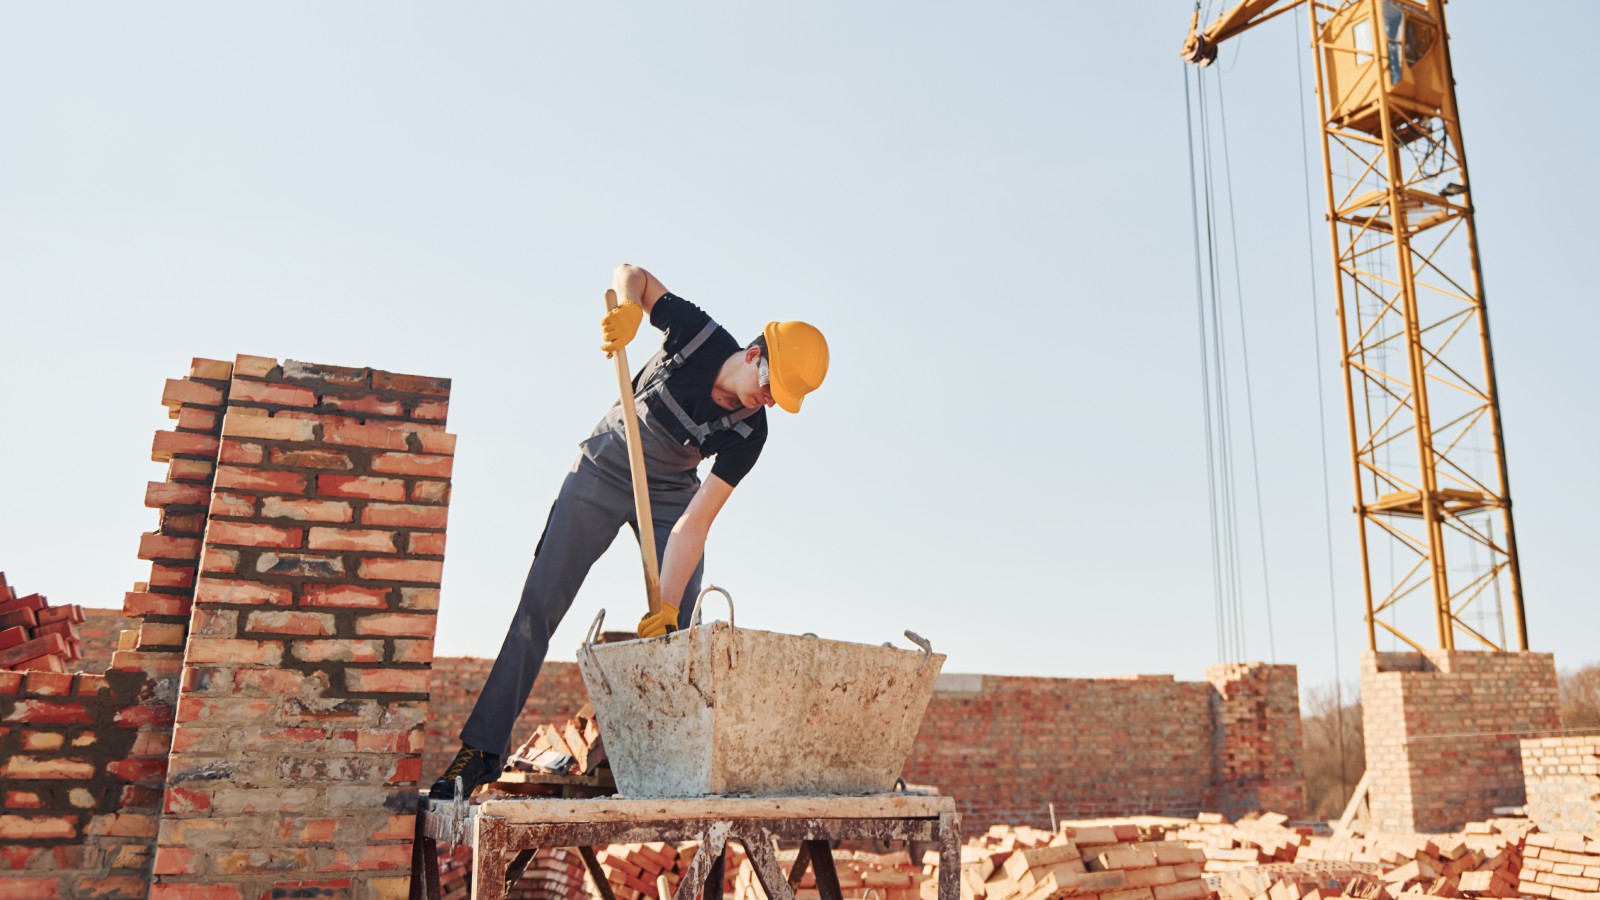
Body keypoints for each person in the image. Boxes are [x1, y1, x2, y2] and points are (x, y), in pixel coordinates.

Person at [429, 263, 830, 799]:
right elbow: (633, 274)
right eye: (770, 385)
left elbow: (695, 522)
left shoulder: (751, 433)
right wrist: (627, 310)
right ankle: (481, 751)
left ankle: (665, 767)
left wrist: (667, 604)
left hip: (670, 497)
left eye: (781, 397)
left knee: (680, 633)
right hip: (606, 464)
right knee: (539, 604)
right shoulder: (698, 335)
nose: (770, 399)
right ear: (755, 354)